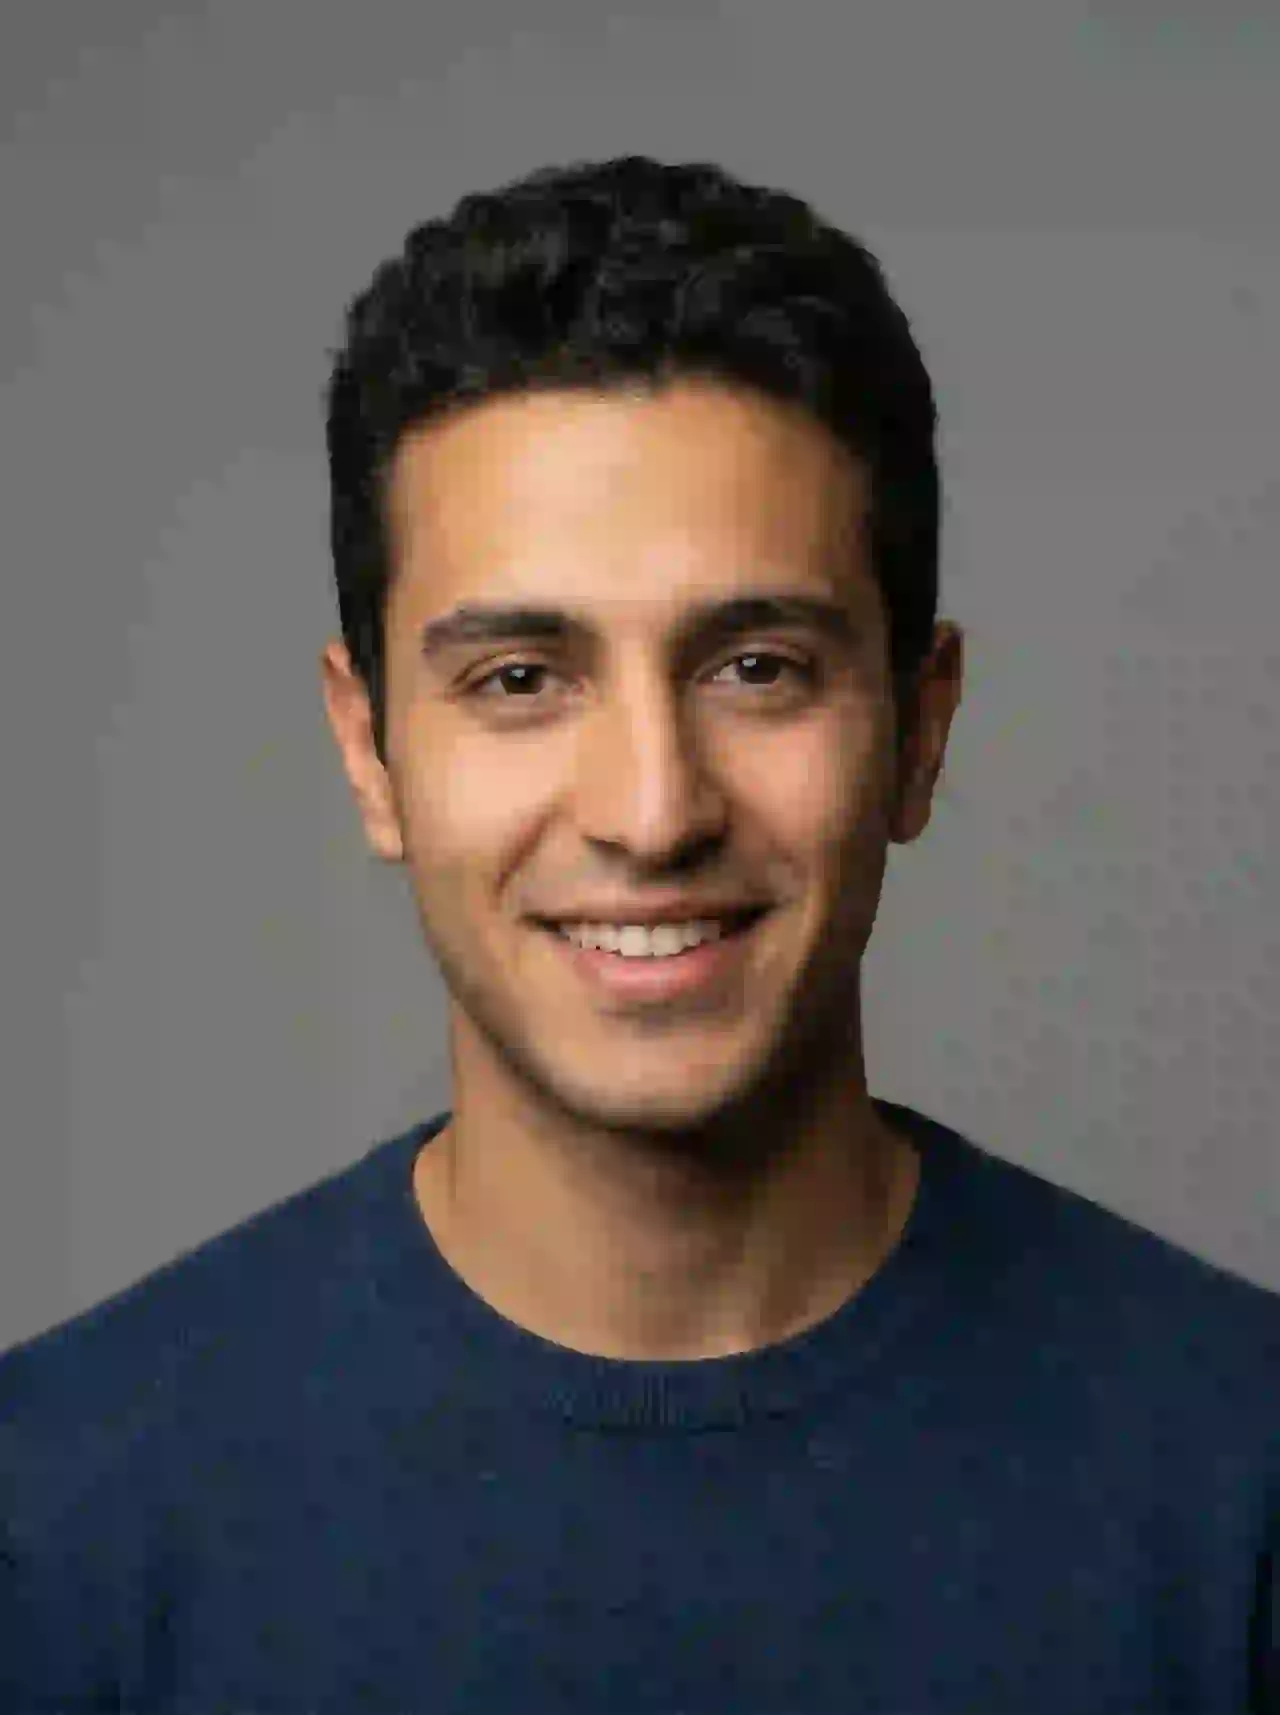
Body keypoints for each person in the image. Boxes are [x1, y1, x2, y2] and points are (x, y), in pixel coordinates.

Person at [1, 153, 1276, 1714]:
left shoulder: (1243, 1489)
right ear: (368, 745)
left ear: (919, 730)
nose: (652, 811)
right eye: (521, 677)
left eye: (756, 666)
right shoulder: (51, 1526)